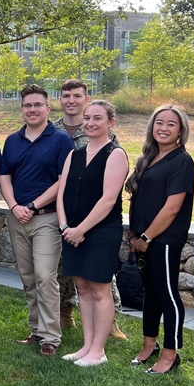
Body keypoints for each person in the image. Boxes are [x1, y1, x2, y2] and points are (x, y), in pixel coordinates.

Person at [0, 84, 74, 357]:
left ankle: (51, 337)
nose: (32, 110)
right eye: (27, 105)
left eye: (37, 105)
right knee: (28, 278)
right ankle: (36, 330)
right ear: (22, 110)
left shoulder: (61, 140)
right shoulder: (13, 140)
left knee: (45, 276)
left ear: (47, 108)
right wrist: (14, 205)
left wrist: (32, 205)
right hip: (17, 217)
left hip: (46, 217)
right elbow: (4, 176)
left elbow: (62, 179)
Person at [57, 100, 129, 367]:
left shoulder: (116, 154)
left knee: (99, 289)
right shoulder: (73, 154)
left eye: (97, 118)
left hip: (100, 232)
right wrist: (66, 227)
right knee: (82, 288)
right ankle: (86, 346)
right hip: (72, 231)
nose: (90, 123)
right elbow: (62, 193)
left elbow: (108, 200)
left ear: (110, 122)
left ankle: (99, 351)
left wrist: (81, 230)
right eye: (87, 118)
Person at [126, 105, 194, 375]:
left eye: (171, 124)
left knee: (167, 295)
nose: (163, 128)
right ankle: (148, 345)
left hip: (163, 239)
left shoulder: (181, 161)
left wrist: (146, 237)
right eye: (159, 122)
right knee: (151, 294)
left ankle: (170, 354)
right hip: (141, 238)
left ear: (181, 131)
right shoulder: (148, 157)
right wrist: (135, 235)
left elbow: (172, 207)